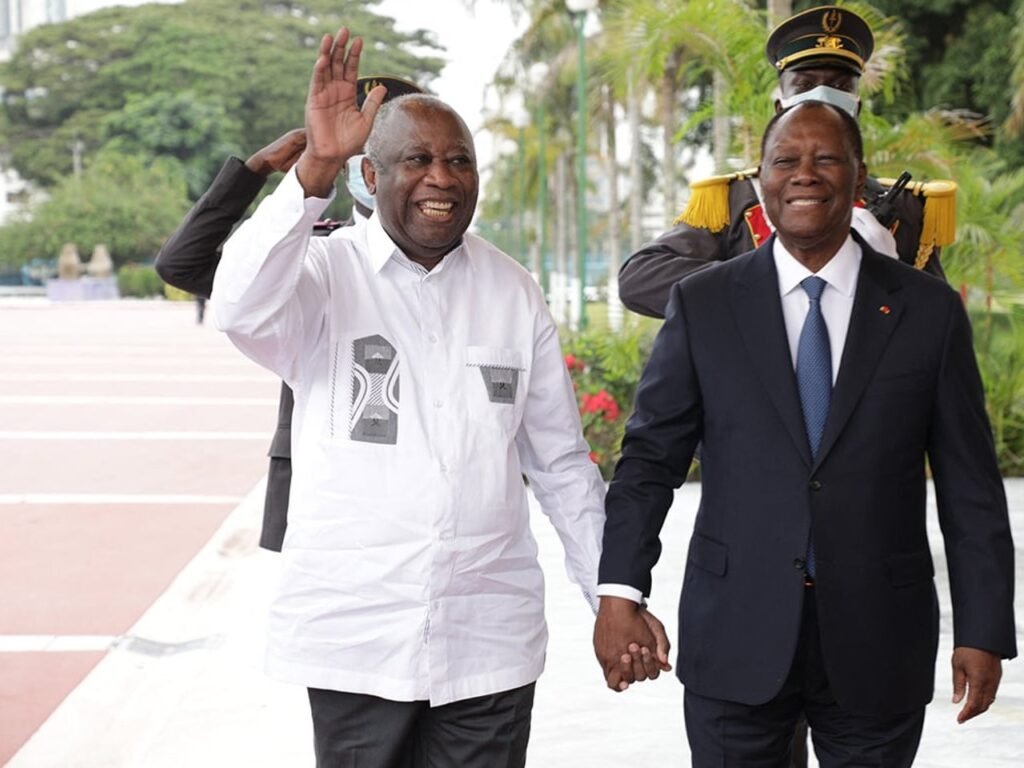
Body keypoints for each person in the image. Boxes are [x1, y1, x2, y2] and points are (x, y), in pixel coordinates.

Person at [210, 28, 613, 767]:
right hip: (357, 642)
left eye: (459, 160)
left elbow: (559, 461)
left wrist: (608, 593)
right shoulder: (322, 275)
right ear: (371, 173)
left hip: (489, 641)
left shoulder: (513, 290)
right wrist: (313, 169)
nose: (442, 178)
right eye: (417, 160)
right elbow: (236, 305)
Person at [593, 100, 1017, 767]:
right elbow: (649, 461)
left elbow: (971, 485)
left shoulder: (928, 311)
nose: (805, 174)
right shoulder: (704, 303)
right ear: (760, 179)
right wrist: (620, 591)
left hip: (880, 640)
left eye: (826, 159)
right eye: (785, 159)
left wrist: (983, 627)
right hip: (735, 634)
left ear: (859, 177)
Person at [154, 76, 421, 551]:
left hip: (417, 483)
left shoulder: (461, 264)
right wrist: (254, 171)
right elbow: (182, 265)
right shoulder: (306, 252)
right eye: (359, 148)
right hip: (317, 486)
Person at [619, 4, 956, 319]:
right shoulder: (735, 201)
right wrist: (768, 280)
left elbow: (937, 321)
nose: (823, 96)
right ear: (780, 109)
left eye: (839, 85)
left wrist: (888, 275)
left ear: (856, 108)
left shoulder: (906, 208)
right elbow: (640, 279)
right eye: (806, 85)